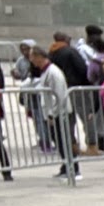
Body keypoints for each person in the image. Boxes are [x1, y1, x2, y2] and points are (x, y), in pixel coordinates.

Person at [29, 45, 80, 181]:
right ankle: (66, 166)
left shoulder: (53, 72)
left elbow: (58, 95)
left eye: (32, 57)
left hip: (60, 113)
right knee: (59, 142)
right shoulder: (46, 71)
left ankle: (73, 169)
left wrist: (52, 114)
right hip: (52, 112)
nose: (31, 60)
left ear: (39, 57)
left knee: (64, 141)